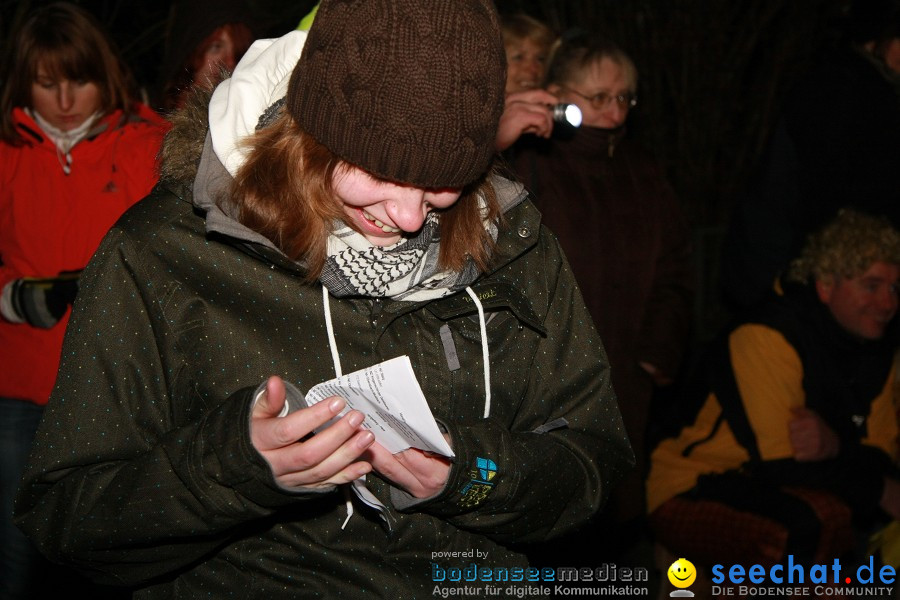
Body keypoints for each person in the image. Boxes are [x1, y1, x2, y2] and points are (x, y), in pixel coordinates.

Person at [14, 1, 633, 598]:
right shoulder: (164, 255)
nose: (410, 217)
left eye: (444, 184)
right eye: (383, 174)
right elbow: (68, 521)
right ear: (309, 137)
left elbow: (594, 462)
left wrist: (472, 476)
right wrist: (233, 469)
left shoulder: (515, 246)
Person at [0, 3, 168, 598]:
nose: (66, 99)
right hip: (21, 383)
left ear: (107, 75)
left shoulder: (151, 146)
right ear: (24, 83)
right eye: (47, 84)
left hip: (115, 388)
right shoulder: (6, 154)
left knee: (112, 552)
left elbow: (179, 260)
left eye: (80, 80)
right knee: (15, 553)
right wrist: (11, 296)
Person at [512, 32, 694, 560]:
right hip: (547, 380)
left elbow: (676, 268)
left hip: (626, 378)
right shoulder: (529, 162)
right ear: (558, 93)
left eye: (624, 98)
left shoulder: (644, 169)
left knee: (613, 524)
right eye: (598, 99)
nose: (613, 113)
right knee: (549, 517)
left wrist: (658, 351)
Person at [648, 209, 900, 574]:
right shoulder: (767, 335)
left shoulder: (875, 345)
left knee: (828, 526)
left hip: (768, 485)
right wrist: (878, 488)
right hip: (690, 483)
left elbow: (879, 452)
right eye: (872, 285)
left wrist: (834, 444)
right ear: (826, 285)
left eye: (895, 288)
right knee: (808, 525)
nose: (888, 303)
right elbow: (783, 464)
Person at [720, 0, 900, 313]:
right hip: (798, 279)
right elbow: (833, 199)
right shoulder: (841, 92)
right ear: (878, 38)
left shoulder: (865, 87)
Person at [155, 0, 257, 113]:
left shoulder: (256, 114)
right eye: (216, 47)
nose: (231, 62)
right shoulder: (151, 126)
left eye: (238, 50)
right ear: (190, 56)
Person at [495, 13, 559, 153]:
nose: (533, 69)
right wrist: (495, 142)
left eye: (540, 59)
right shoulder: (471, 119)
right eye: (519, 57)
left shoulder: (552, 115)